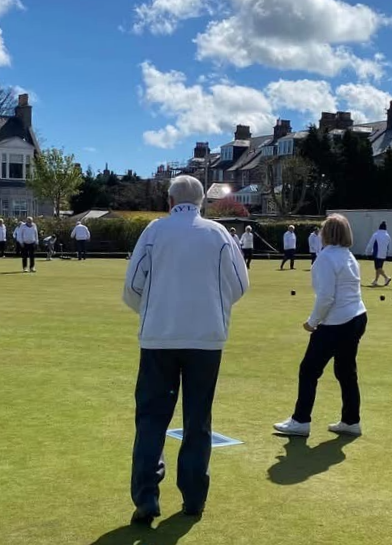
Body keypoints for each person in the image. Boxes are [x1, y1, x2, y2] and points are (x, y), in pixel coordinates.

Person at [122, 176, 249, 525]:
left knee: (151, 419)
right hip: (205, 341)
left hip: (159, 339)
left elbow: (132, 287)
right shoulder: (218, 234)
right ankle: (193, 498)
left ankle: (146, 496)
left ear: (169, 200)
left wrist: (156, 311)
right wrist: (211, 309)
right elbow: (240, 285)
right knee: (197, 419)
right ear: (201, 203)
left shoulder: (154, 232)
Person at [274, 214, 367, 439]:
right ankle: (351, 421)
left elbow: (326, 297)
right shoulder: (348, 256)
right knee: (346, 371)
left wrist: (312, 322)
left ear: (326, 234)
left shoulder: (325, 258)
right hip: (357, 317)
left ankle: (300, 421)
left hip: (337, 322)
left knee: (309, 370)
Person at [365, 222, 392, 287]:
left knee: (377, 268)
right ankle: (376, 281)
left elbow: (370, 243)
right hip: (384, 254)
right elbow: (390, 245)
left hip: (377, 253)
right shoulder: (387, 235)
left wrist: (366, 251)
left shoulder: (376, 234)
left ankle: (386, 277)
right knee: (379, 268)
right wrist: (388, 252)